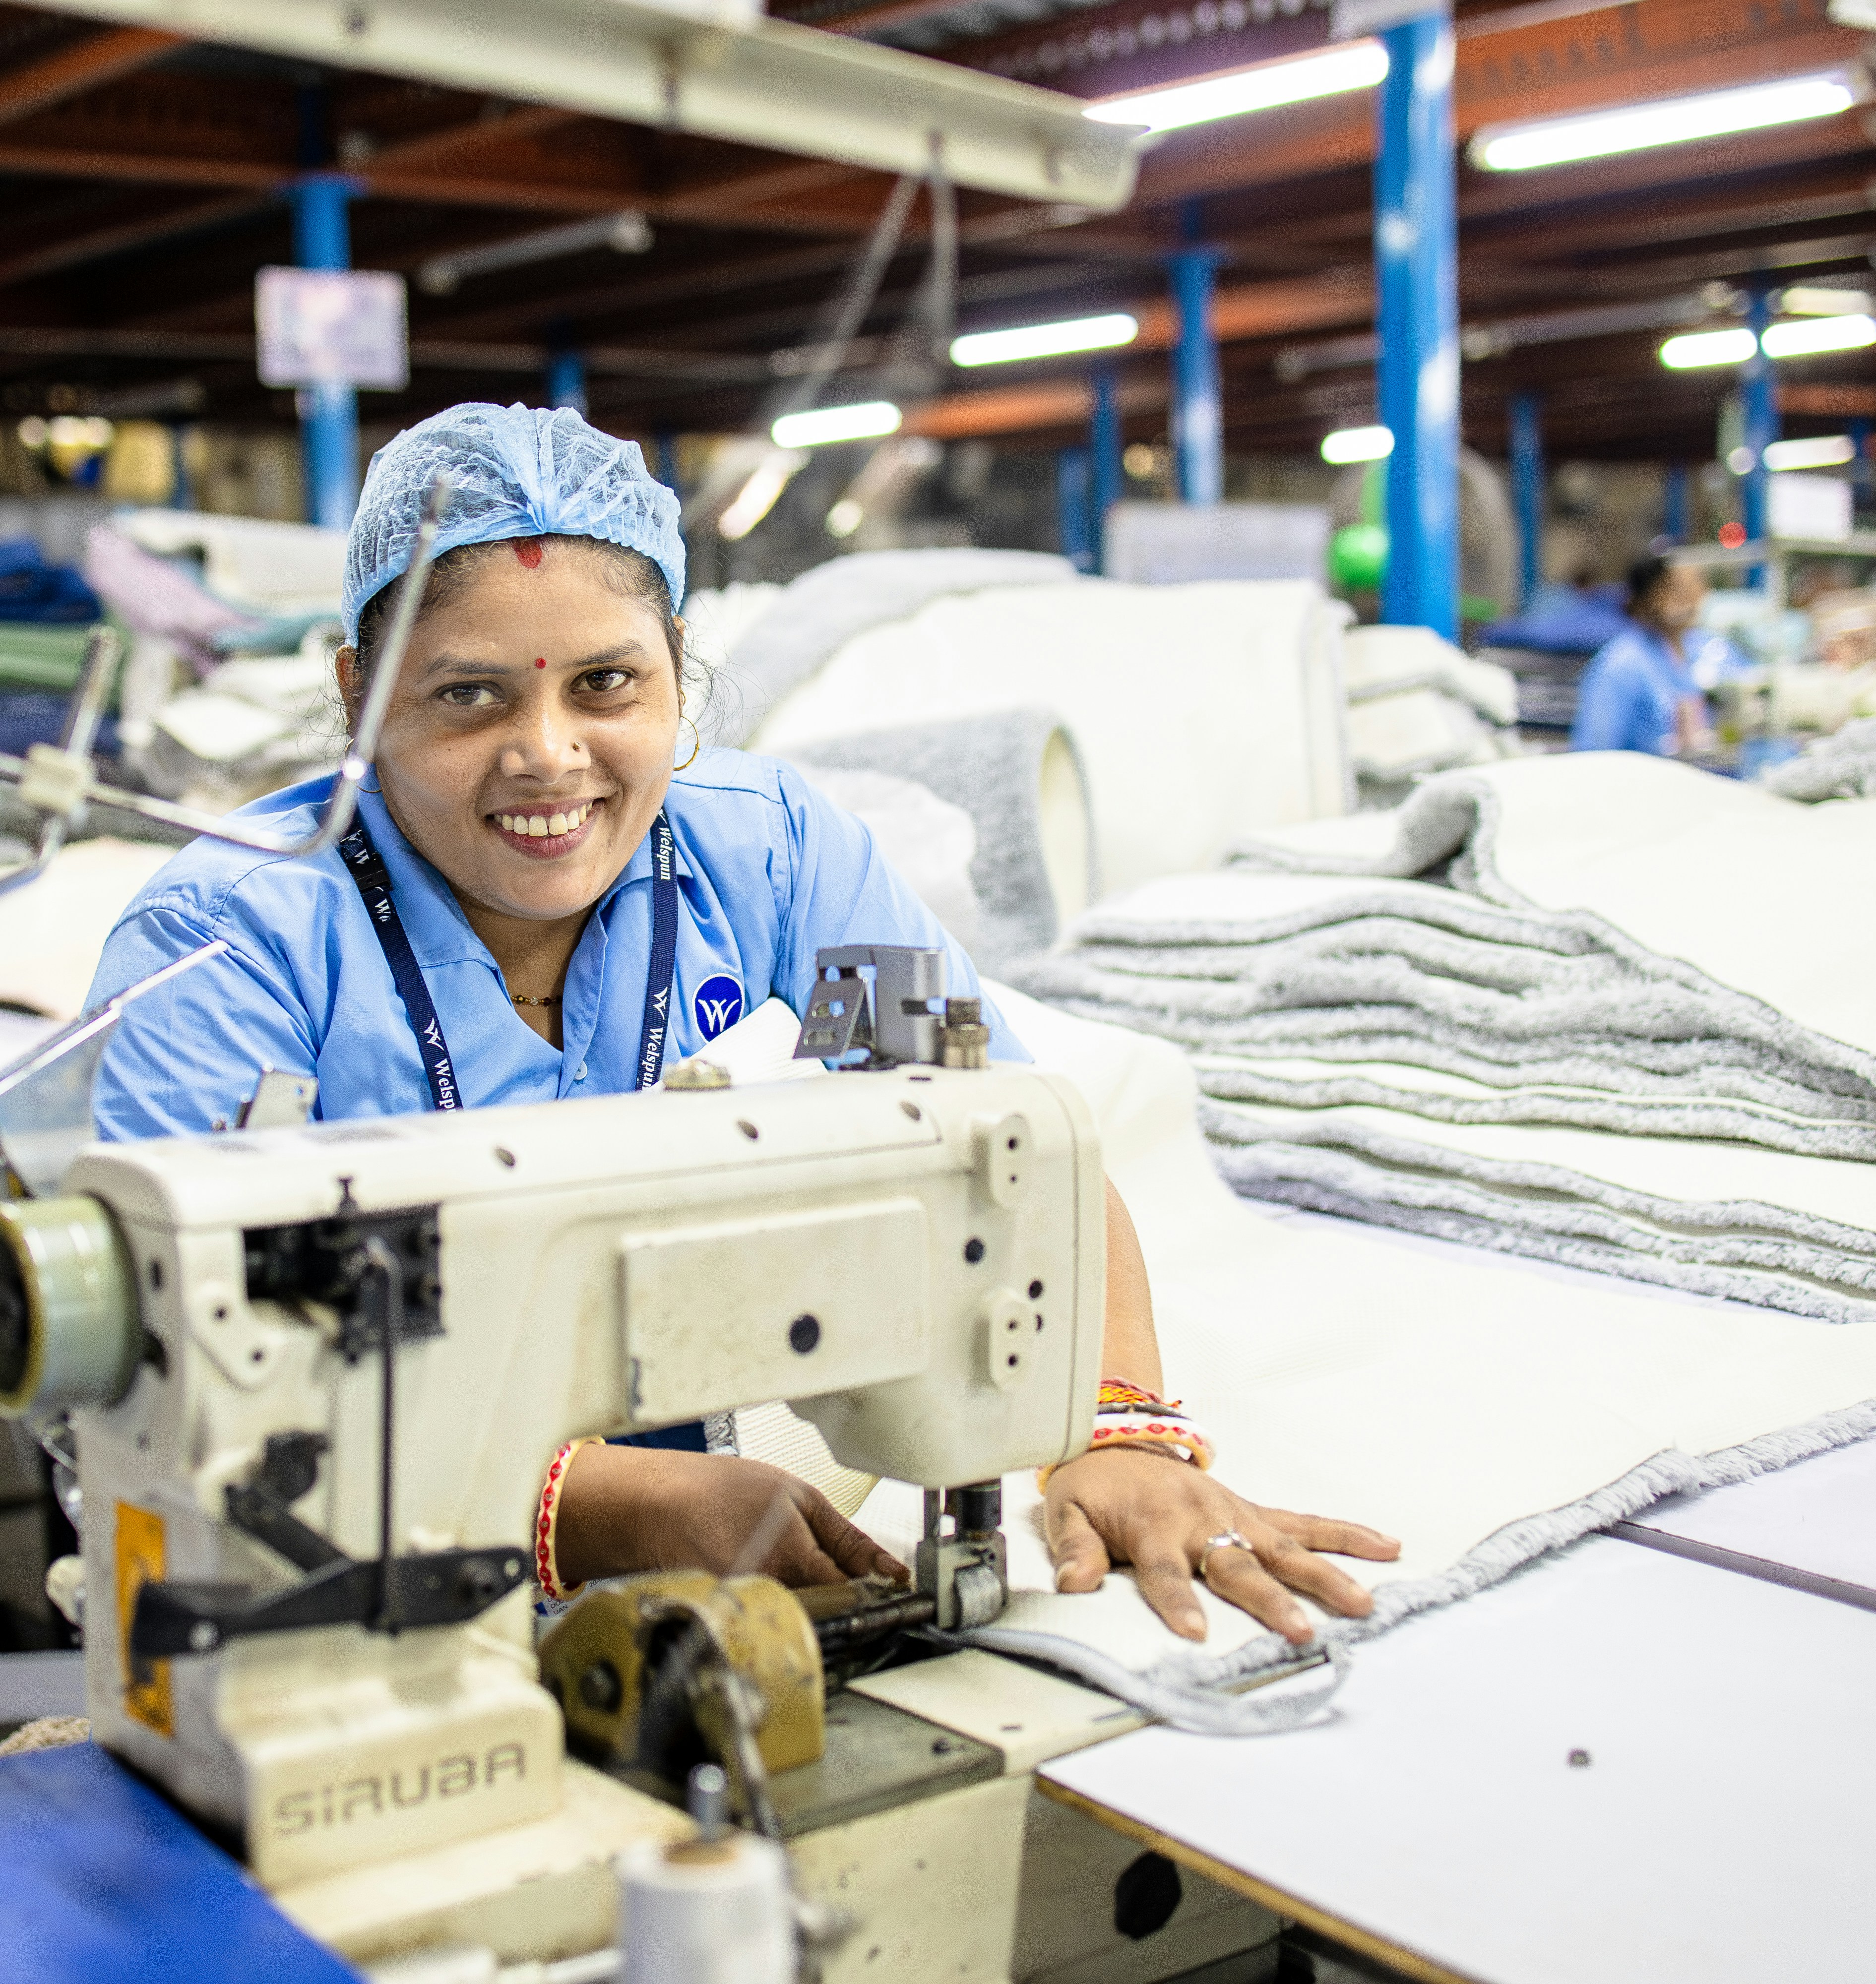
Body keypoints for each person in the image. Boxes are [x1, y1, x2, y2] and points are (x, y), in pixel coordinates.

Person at [86, 403, 1398, 1645]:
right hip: (296, 1567)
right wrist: (594, 1507)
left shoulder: (762, 867)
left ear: (678, 680)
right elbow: (160, 1377)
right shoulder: (237, 943)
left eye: (605, 685)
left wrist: (1115, 1425)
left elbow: (1007, 1139)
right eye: (467, 696)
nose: (548, 755)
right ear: (361, 693)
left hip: (661, 1549)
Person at [1570, 553, 1721, 755]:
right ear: (1644, 597)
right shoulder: (1621, 666)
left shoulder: (1703, 648)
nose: (1690, 597)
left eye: (1696, 584)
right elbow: (1594, 753)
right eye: (1674, 588)